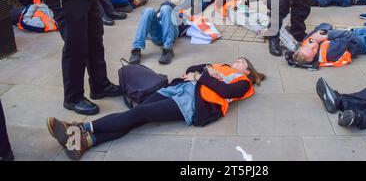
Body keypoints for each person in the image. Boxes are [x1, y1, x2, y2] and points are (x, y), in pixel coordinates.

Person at [47, 58, 265, 161]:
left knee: (138, 114)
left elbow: (224, 90)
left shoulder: (243, 82)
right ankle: (84, 143)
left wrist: (202, 76)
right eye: (237, 60)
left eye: (241, 62)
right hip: (178, 89)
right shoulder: (219, 66)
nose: (236, 62)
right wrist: (206, 69)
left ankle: (79, 128)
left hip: (192, 103)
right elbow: (191, 68)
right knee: (138, 116)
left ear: (248, 70)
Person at [129, 0, 235, 65]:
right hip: (159, 30)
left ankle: (168, 50)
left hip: (172, 30)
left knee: (166, 7)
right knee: (148, 10)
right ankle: (136, 49)